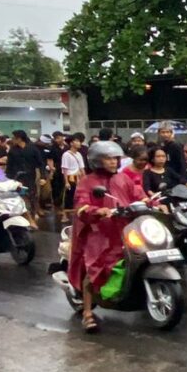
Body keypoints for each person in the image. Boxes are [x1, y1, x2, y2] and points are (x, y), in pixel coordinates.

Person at [68, 140, 145, 333]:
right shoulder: (87, 181)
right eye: (108, 158)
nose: (113, 162)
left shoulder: (123, 178)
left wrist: (151, 202)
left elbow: (138, 194)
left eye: (115, 158)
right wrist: (98, 210)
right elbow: (81, 206)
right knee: (94, 270)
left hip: (125, 229)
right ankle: (87, 314)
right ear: (97, 160)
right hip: (99, 232)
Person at [6, 129, 44, 225]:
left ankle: (33, 217)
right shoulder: (13, 150)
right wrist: (8, 178)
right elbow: (9, 165)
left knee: (32, 197)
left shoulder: (33, 148)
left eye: (14, 138)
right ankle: (26, 219)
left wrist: (43, 177)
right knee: (21, 197)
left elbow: (41, 163)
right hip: (17, 179)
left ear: (20, 138)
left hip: (31, 177)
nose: (12, 139)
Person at [60, 133, 86, 217]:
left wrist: (85, 178)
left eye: (79, 141)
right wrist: (66, 182)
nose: (79, 143)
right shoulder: (66, 155)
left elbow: (82, 168)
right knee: (69, 197)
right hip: (70, 178)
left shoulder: (79, 154)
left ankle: (77, 213)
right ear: (71, 143)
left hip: (78, 178)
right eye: (77, 141)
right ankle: (65, 215)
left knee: (78, 196)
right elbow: (65, 169)